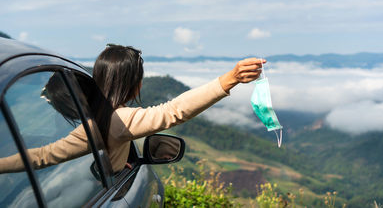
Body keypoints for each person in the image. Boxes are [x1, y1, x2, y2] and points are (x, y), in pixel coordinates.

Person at [0, 44, 265, 173]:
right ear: (135, 85)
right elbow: (174, 111)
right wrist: (229, 79)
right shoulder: (118, 120)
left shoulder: (98, 116)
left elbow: (43, 154)